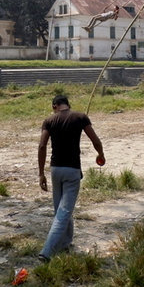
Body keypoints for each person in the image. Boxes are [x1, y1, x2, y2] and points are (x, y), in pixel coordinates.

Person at [37, 95, 105, 261]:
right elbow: (95, 140)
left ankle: (65, 244)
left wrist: (41, 173)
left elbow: (42, 146)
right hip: (72, 170)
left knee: (59, 210)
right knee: (64, 212)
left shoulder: (49, 120)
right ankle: (46, 252)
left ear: (55, 106)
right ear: (68, 105)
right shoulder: (80, 117)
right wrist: (100, 154)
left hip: (55, 170)